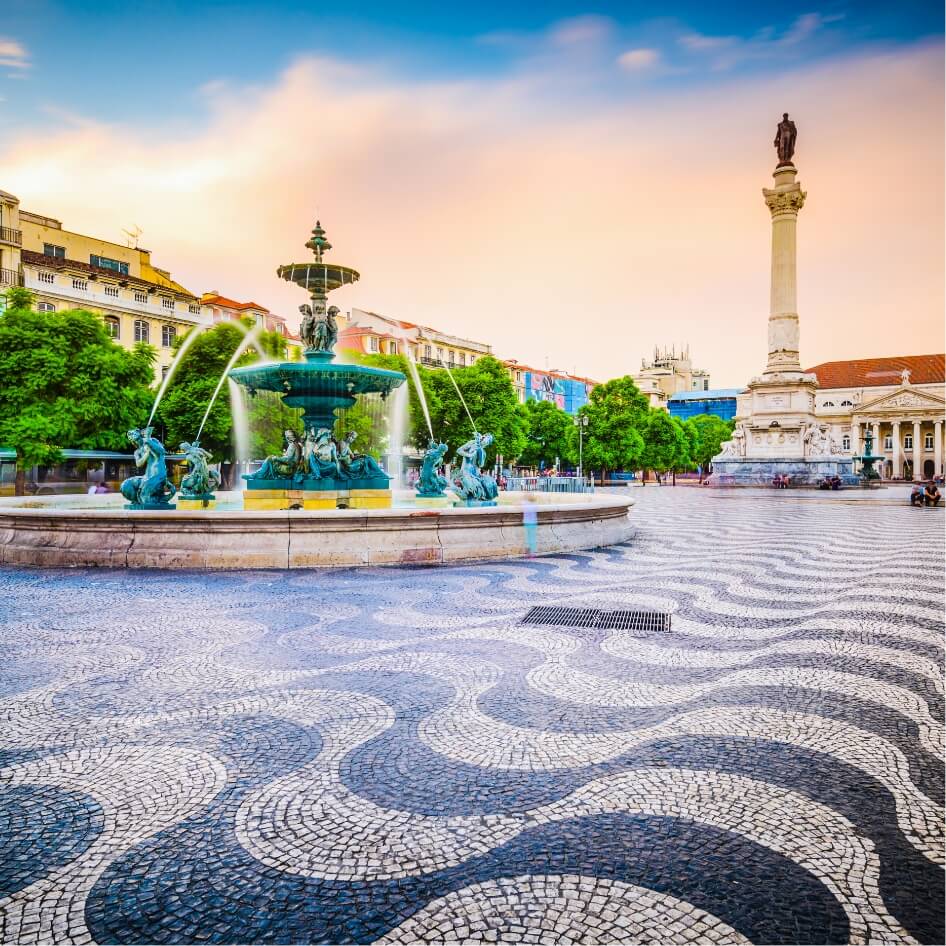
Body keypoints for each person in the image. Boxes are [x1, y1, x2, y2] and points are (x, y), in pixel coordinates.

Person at [522, 491, 538, 556]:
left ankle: (528, 551)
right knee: (532, 537)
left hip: (527, 522)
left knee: (528, 537)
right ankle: (532, 552)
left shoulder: (525, 503)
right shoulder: (534, 504)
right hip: (533, 523)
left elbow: (518, 505)